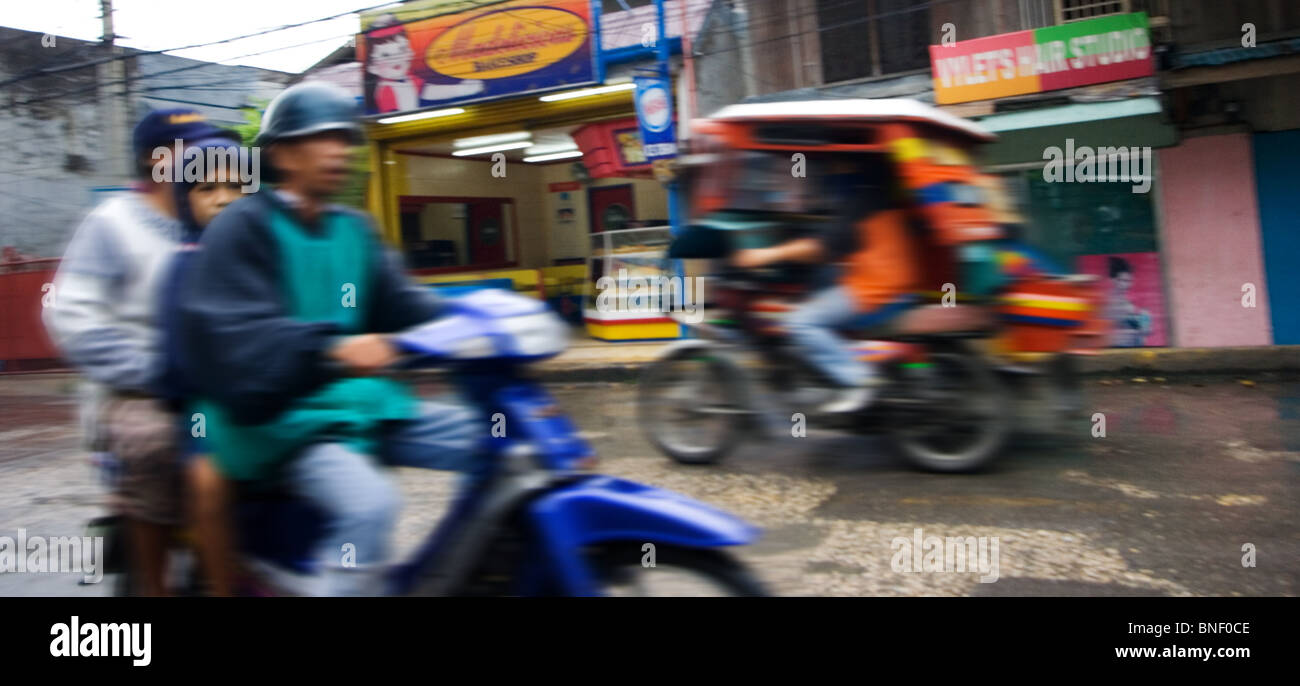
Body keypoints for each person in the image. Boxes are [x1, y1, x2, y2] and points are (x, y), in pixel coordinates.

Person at [178, 82, 482, 596]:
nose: (340, 150)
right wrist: (330, 348)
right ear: (282, 153)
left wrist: (477, 317)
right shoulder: (244, 228)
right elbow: (239, 334)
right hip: (287, 422)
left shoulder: (354, 228)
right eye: (322, 138)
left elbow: (403, 304)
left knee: (496, 444)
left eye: (344, 138)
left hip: (361, 406)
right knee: (372, 505)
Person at [43, 109, 239, 595]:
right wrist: (156, 373)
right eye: (189, 149)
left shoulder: (225, 218)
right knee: (156, 442)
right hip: (140, 391)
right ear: (156, 161)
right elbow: (72, 316)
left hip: (220, 381)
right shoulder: (111, 223)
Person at [731, 156, 921, 413]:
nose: (831, 172)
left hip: (878, 291)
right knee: (821, 286)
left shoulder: (861, 204)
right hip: (896, 284)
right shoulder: (882, 197)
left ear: (855, 168)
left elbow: (819, 249)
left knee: (800, 321)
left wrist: (766, 255)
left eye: (837, 164)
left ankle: (860, 380)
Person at [155, 134, 246, 595]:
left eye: (235, 186)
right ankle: (220, 584)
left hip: (272, 398)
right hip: (203, 407)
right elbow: (177, 361)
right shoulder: (183, 268)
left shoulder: (268, 259)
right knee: (208, 480)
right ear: (185, 201)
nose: (224, 199)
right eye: (207, 189)